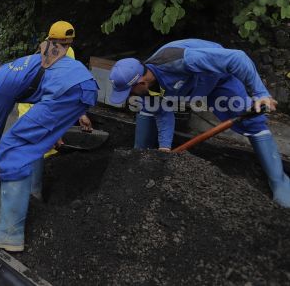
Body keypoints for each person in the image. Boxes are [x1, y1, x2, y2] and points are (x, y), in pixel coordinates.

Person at [0, 27, 99, 252]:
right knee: (28, 144)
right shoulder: (7, 71)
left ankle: (9, 233)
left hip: (66, 89)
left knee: (12, 149)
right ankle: (32, 194)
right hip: (82, 85)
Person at [108, 39, 290, 208]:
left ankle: (279, 182)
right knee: (148, 107)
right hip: (195, 87)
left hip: (218, 79)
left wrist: (260, 94)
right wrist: (164, 148)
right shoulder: (148, 87)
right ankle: (138, 159)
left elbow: (237, 57)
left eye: (129, 91)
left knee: (252, 121)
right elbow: (163, 113)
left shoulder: (178, 61)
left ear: (141, 82)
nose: (129, 96)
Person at [15, 21, 92, 200]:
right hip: (33, 107)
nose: (66, 48)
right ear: (51, 41)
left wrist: (81, 113)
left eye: (68, 44)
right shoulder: (44, 60)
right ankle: (34, 194)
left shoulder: (69, 53)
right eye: (62, 44)